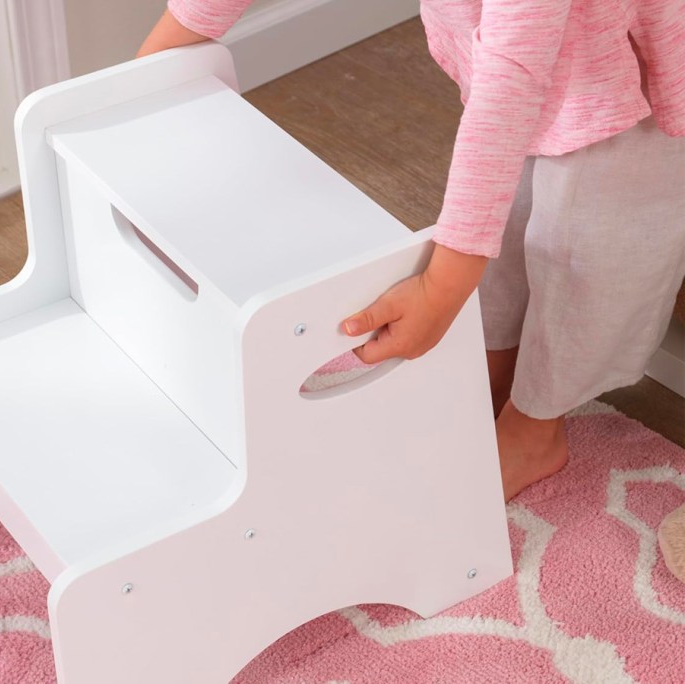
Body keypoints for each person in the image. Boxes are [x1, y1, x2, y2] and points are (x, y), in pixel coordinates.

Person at [138, 0, 685, 501]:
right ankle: (493, 371)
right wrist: (159, 59)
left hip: (631, 79)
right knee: (512, 220)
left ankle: (537, 427)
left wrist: (439, 288)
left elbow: (511, 82)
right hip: (538, 51)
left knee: (587, 253)